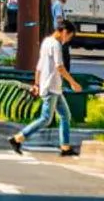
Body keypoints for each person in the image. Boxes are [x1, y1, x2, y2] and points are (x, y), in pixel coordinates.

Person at [10, 18, 81, 155]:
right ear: (64, 32)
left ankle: (65, 147)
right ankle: (17, 138)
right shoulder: (55, 45)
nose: (68, 40)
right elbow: (59, 67)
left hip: (54, 88)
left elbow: (39, 66)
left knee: (65, 115)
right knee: (46, 119)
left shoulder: (46, 42)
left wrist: (36, 84)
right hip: (50, 88)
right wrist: (73, 82)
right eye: (69, 36)